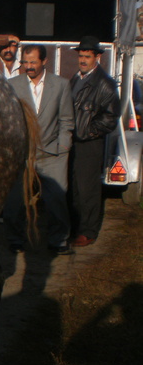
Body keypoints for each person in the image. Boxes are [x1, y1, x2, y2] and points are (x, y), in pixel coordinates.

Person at [4, 44, 75, 255]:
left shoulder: (61, 85)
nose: (29, 66)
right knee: (14, 201)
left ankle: (58, 241)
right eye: (25, 62)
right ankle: (15, 240)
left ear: (44, 61)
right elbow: (7, 120)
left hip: (53, 153)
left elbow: (67, 119)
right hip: (22, 155)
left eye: (33, 62)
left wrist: (63, 145)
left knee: (57, 201)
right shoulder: (12, 85)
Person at [69, 36, 121, 247]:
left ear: (97, 57)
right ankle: (75, 228)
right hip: (72, 141)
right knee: (72, 188)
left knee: (88, 189)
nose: (83, 60)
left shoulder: (105, 84)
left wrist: (88, 132)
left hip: (89, 143)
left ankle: (88, 231)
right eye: (81, 56)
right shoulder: (76, 78)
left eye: (87, 56)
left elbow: (110, 117)